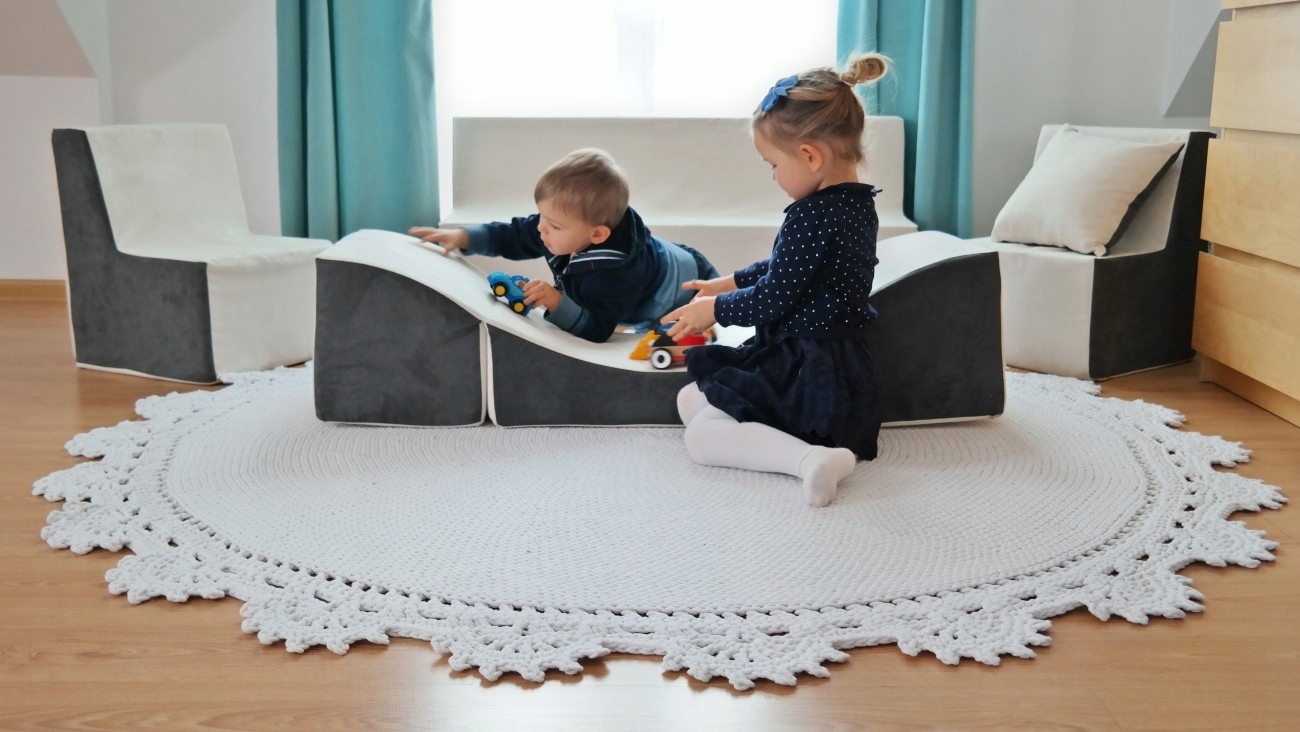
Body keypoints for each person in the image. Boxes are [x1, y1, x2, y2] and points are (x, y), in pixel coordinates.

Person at [661, 53, 890, 507]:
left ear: (810, 156)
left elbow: (774, 296)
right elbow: (791, 269)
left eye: (772, 164)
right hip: (838, 366)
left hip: (806, 369)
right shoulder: (855, 204)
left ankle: (810, 460)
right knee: (693, 400)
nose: (773, 176)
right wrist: (727, 282)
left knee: (700, 438)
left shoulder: (811, 213)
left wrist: (714, 309)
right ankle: (799, 450)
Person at [409, 148, 719, 343]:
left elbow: (598, 329)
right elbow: (513, 235)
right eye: (542, 216)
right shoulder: (555, 227)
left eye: (553, 225)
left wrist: (557, 302)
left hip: (686, 291)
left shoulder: (616, 275)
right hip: (660, 268)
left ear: (597, 235)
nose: (540, 228)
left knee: (667, 342)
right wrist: (464, 238)